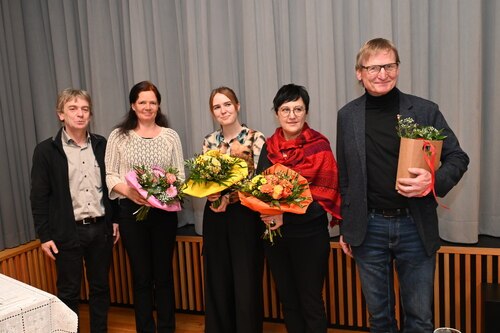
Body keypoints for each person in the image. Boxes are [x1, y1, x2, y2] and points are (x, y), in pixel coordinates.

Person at [336, 38, 469, 332]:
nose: (382, 74)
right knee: (379, 319)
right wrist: (346, 224)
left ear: (398, 68)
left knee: (419, 318)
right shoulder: (347, 116)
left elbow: (458, 157)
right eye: (373, 67)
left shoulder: (423, 109)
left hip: (414, 226)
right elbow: (345, 176)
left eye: (389, 65)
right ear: (359, 72)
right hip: (368, 229)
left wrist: (433, 180)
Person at [30, 88, 119, 333]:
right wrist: (44, 236)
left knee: (100, 288)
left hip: (101, 229)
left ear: (90, 114)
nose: (79, 114)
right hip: (67, 233)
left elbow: (113, 185)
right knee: (68, 292)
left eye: (84, 109)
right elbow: (39, 197)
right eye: (73, 108)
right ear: (61, 114)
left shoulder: (102, 145)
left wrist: (115, 220)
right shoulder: (46, 151)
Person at [256, 83, 342, 333]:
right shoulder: (269, 147)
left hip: (309, 236)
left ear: (306, 112)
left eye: (298, 109)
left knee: (311, 301)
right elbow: (260, 187)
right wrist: (272, 212)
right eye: (286, 109)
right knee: (288, 302)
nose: (292, 115)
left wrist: (286, 215)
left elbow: (325, 196)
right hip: (276, 238)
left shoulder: (319, 146)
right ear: (277, 113)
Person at [105, 81, 185, 333]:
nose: (148, 107)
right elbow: (109, 174)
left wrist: (167, 188)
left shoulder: (170, 136)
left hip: (164, 214)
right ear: (133, 105)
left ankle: (166, 328)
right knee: (141, 277)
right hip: (131, 214)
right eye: (142, 102)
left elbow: (180, 175)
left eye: (152, 102)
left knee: (163, 276)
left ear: (158, 104)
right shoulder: (118, 136)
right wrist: (128, 190)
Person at [202, 86, 266, 333]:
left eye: (227, 104)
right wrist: (211, 195)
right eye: (217, 106)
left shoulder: (256, 138)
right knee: (217, 279)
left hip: (246, 215)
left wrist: (234, 197)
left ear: (237, 106)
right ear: (212, 112)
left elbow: (261, 182)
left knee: (246, 280)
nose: (223, 110)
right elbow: (204, 179)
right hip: (215, 216)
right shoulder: (209, 141)